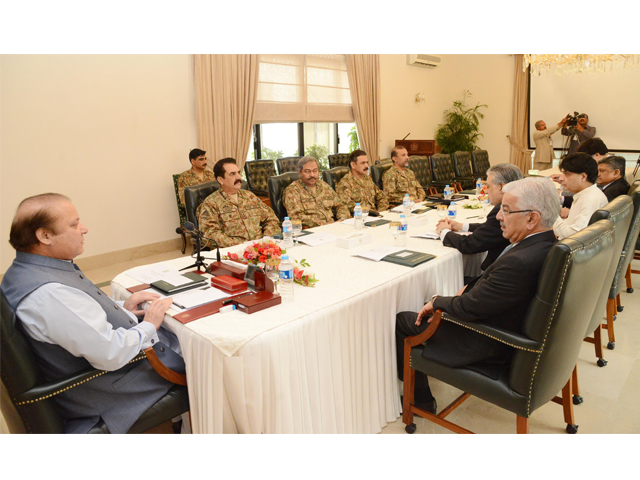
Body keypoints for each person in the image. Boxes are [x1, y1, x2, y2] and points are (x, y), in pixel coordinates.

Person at [1, 193, 185, 434]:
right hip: (110, 389)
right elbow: (110, 353)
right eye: (74, 224)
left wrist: (123, 308)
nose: (84, 229)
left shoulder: (27, 270)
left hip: (101, 374)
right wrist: (149, 324)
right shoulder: (50, 294)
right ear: (44, 235)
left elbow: (78, 317)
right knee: (205, 355)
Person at [395, 177, 560, 412]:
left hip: (488, 342)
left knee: (405, 319)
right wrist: (464, 292)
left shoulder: (520, 262)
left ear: (532, 218)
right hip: (502, 324)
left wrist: (438, 302)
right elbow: (493, 294)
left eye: (505, 210)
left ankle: (418, 400)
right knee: (435, 303)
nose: (499, 217)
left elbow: (470, 308)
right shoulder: (545, 244)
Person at [435, 163, 523, 273]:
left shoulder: (501, 210)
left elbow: (469, 245)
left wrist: (444, 231)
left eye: (488, 186)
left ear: (501, 187)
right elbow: (491, 228)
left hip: (495, 273)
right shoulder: (520, 203)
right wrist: (461, 226)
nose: (485, 191)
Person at [197, 158, 281, 248]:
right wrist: (241, 246)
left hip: (260, 248)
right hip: (231, 252)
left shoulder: (250, 196)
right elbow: (209, 234)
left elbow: (272, 219)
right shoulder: (211, 203)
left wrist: (266, 239)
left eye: (238, 173)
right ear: (221, 180)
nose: (238, 177)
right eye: (232, 174)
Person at [282, 156, 350, 229]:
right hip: (312, 232)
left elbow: (341, 205)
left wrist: (341, 219)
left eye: (315, 171)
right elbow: (296, 218)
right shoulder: (292, 191)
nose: (312, 175)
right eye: (307, 171)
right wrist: (324, 225)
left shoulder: (324, 186)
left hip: (333, 227)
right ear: (300, 172)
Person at [552, 153, 608, 239]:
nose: (561, 178)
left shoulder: (590, 200)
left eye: (567, 174)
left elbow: (575, 236)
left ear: (583, 177)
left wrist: (552, 213)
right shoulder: (586, 194)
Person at [335, 149, 389, 213]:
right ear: (353, 165)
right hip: (358, 217)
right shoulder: (345, 183)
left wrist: (380, 211)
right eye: (363, 163)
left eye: (367, 162)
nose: (367, 166)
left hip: (374, 216)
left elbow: (382, 197)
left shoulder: (367, 179)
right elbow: (346, 207)